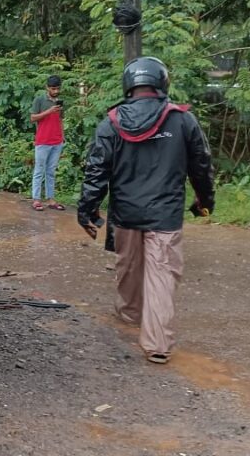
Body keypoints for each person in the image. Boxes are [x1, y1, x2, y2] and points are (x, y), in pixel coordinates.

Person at [77, 57, 215, 365]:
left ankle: (129, 312)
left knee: (127, 265)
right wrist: (205, 201)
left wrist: (86, 210)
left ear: (130, 86)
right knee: (161, 274)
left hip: (125, 214)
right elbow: (202, 166)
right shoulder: (182, 121)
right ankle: (157, 344)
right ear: (161, 84)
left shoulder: (111, 122)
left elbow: (96, 171)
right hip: (165, 215)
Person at [29, 75, 65, 211]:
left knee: (51, 171)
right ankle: (36, 200)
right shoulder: (39, 100)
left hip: (57, 141)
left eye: (57, 88)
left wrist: (63, 136)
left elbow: (61, 120)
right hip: (43, 140)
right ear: (47, 88)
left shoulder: (60, 102)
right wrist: (49, 111)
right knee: (39, 170)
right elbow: (32, 118)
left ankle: (51, 199)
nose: (55, 91)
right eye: (53, 88)